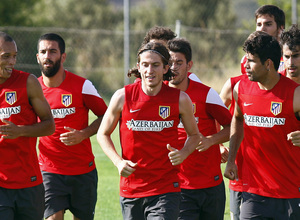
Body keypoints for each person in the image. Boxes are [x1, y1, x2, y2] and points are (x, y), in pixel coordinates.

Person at [97, 42, 202, 220]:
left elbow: (195, 135)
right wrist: (118, 162)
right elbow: (102, 133)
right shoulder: (122, 96)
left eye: (155, 65)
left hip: (166, 188)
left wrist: (184, 153)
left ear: (165, 68)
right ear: (138, 67)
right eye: (145, 65)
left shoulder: (180, 99)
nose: (149, 70)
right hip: (131, 189)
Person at [224, 31, 300, 219]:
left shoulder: (295, 94)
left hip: (290, 192)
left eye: (251, 61)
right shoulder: (240, 89)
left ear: (268, 64)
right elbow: (237, 119)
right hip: (254, 193)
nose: (246, 66)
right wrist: (232, 159)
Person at [219, 5, 286, 219]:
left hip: (284, 165)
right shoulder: (245, 68)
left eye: (268, 24)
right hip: (247, 161)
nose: (262, 28)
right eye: (259, 24)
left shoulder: (289, 63)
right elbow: (229, 108)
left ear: (280, 29)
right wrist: (221, 142)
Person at [36, 33, 107, 220]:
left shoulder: (82, 85)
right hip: (49, 171)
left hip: (83, 171)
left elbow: (106, 116)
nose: (47, 56)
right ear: (37, 57)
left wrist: (83, 134)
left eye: (52, 51)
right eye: (43, 52)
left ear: (63, 56)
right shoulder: (32, 89)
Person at [167, 38, 232, 220]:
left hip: (211, 186)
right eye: (170, 63)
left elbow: (232, 126)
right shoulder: (159, 95)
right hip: (177, 186)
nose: (174, 67)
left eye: (179, 63)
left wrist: (212, 140)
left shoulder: (206, 94)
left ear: (189, 65)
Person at [0, 32, 55, 219]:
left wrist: (20, 131)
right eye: (5, 57)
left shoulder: (28, 82)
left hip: (29, 183)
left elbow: (49, 125)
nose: (12, 61)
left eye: (14, 56)